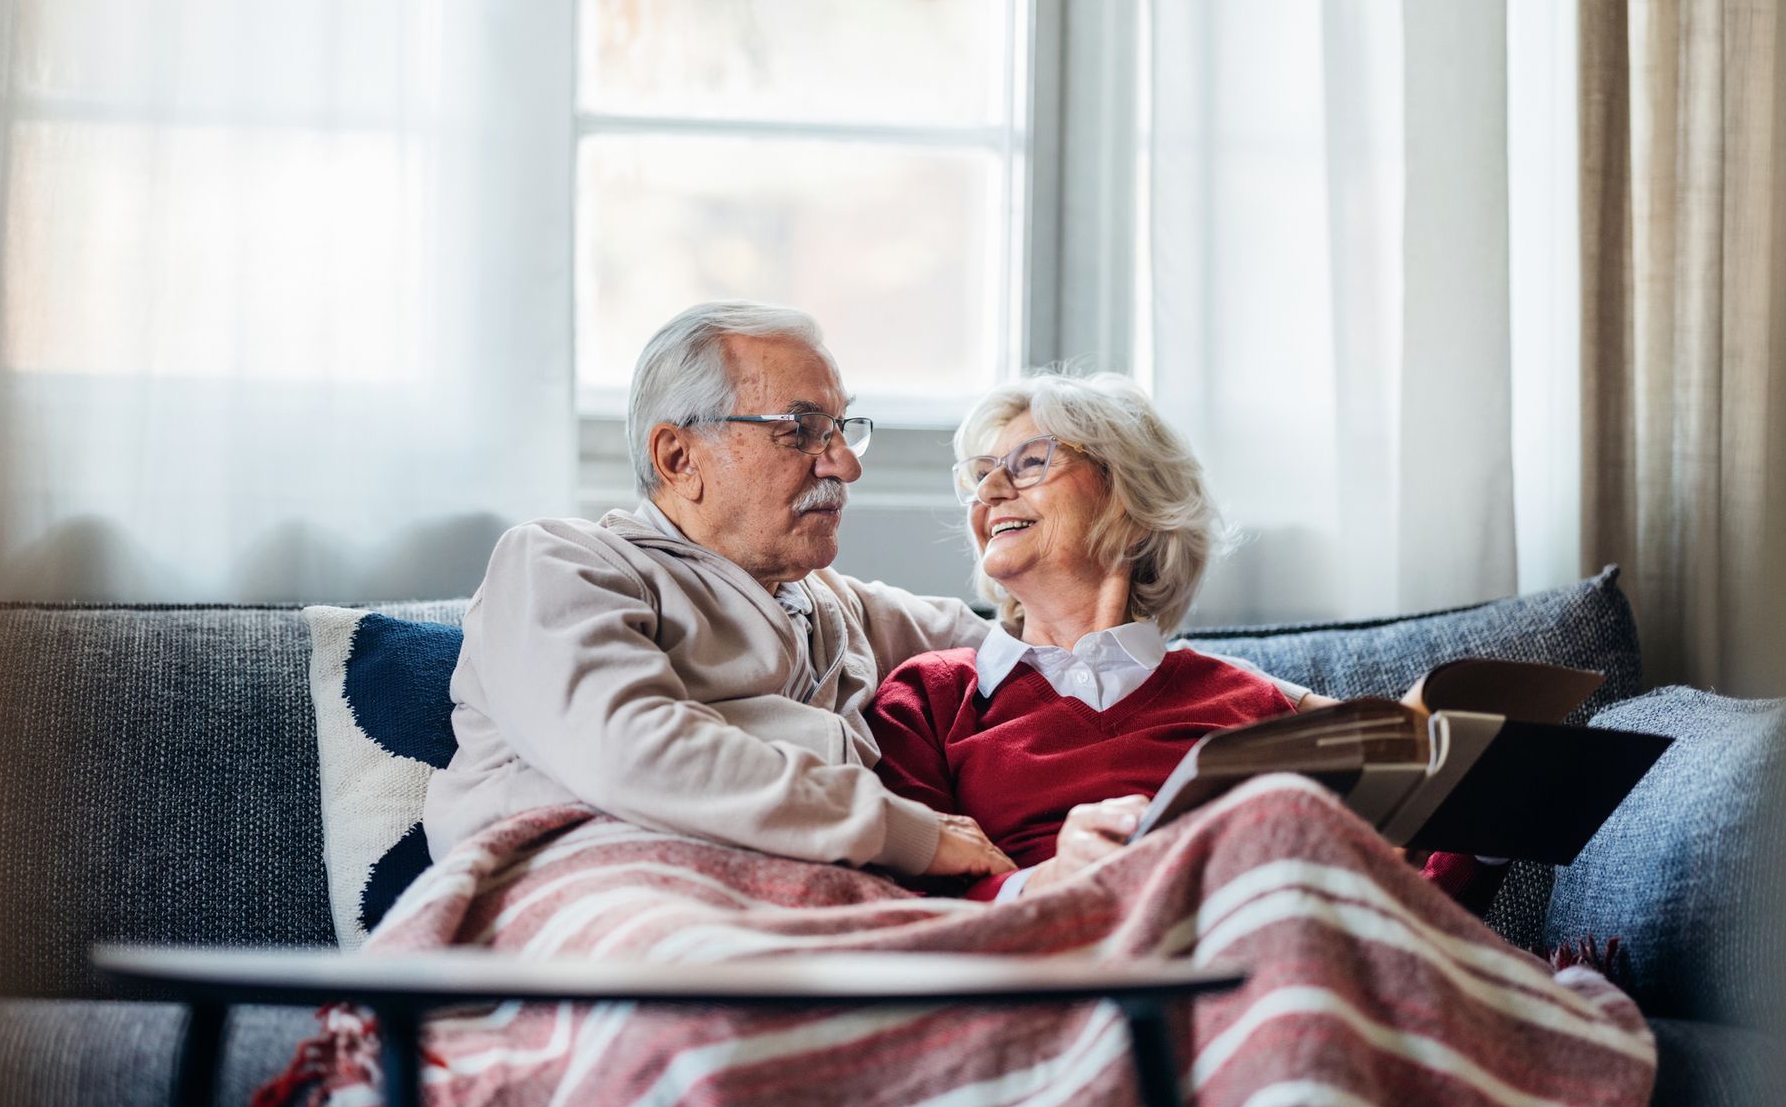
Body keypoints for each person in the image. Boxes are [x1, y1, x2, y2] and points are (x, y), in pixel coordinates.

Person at [424, 302, 1017, 879]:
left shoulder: (834, 604)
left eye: (840, 429)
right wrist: (898, 831)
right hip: (583, 877)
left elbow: (1024, 653)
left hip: (780, 896)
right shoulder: (562, 565)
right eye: (803, 431)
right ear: (679, 458)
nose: (843, 466)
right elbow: (631, 753)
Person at [869, 369, 1479, 901]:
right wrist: (1048, 882)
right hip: (1044, 972)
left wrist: (1489, 816)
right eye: (979, 476)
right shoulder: (931, 696)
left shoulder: (1252, 704)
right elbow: (900, 893)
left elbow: (1402, 900)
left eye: (1029, 462)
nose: (990, 492)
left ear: (1131, 501)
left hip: (1249, 955)